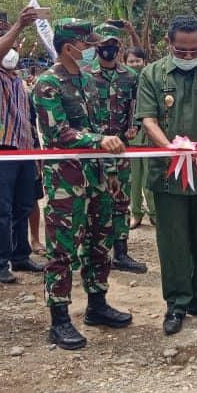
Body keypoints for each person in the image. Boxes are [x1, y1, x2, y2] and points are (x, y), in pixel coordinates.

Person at [32, 18, 133, 350]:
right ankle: (59, 319)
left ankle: (97, 304)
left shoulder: (89, 81)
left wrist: (110, 159)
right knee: (61, 249)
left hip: (97, 176)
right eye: (86, 45)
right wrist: (99, 139)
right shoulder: (48, 84)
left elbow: (102, 124)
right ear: (68, 48)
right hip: (66, 179)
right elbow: (57, 132)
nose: (91, 50)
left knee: (98, 241)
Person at [136, 15, 197, 335]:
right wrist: (170, 148)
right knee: (173, 239)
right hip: (168, 171)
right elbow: (148, 119)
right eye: (182, 51)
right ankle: (177, 302)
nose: (189, 56)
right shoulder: (152, 74)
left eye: (195, 50)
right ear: (169, 43)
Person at [0, 6, 45, 284]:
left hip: (24, 151)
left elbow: (28, 121)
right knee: (1, 210)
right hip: (2, 152)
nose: (9, 52)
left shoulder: (19, 81)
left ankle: (20, 256)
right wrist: (18, 25)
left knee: (23, 204)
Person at [86, 23, 147, 274]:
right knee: (95, 200)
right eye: (104, 45)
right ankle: (93, 253)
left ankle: (121, 252)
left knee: (121, 200)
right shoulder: (85, 75)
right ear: (96, 47)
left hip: (121, 147)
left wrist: (134, 126)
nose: (109, 49)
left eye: (113, 45)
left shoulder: (129, 76)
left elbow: (137, 105)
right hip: (94, 149)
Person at [126, 47, 157, 229]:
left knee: (150, 178)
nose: (135, 64)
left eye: (138, 60)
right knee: (134, 180)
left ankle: (154, 213)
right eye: (131, 61)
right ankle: (135, 213)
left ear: (144, 62)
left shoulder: (150, 79)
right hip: (132, 138)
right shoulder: (124, 81)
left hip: (150, 137)